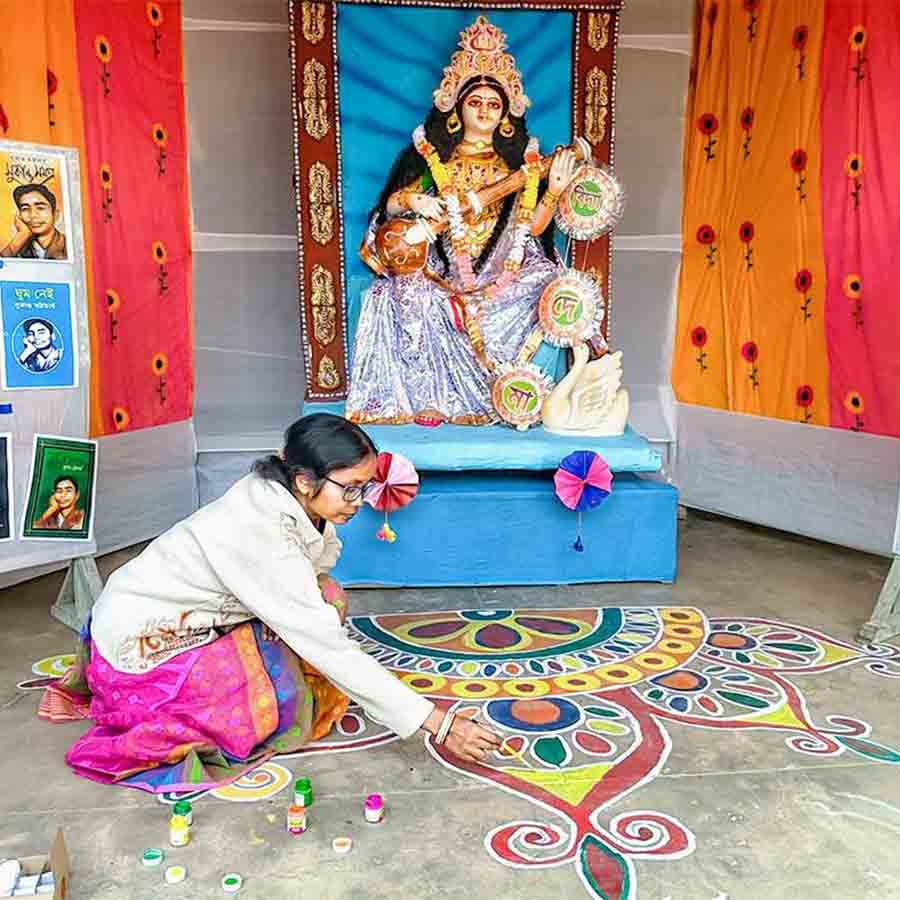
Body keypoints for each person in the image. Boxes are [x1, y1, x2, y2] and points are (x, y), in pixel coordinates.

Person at [42, 414, 500, 792]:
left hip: (179, 615)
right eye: (352, 488)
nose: (361, 502)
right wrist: (435, 722)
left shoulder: (287, 501)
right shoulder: (259, 530)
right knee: (258, 704)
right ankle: (128, 700)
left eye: (366, 486)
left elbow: (316, 574)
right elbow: (325, 643)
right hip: (144, 638)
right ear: (303, 479)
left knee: (326, 598)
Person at [346, 16, 578, 427]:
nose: (485, 111)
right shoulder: (430, 157)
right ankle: (428, 398)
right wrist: (417, 199)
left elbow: (534, 230)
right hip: (441, 269)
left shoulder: (520, 164)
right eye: (476, 103)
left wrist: (555, 188)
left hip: (505, 271)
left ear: (506, 113)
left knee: (544, 285)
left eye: (494, 104)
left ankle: (506, 398)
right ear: (457, 110)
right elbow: (392, 206)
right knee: (399, 297)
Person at [0, 183, 67, 260]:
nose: (33, 215)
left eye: (40, 208)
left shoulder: (69, 246)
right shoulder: (19, 248)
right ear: (19, 216)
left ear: (56, 215)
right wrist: (21, 236)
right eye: (25, 209)